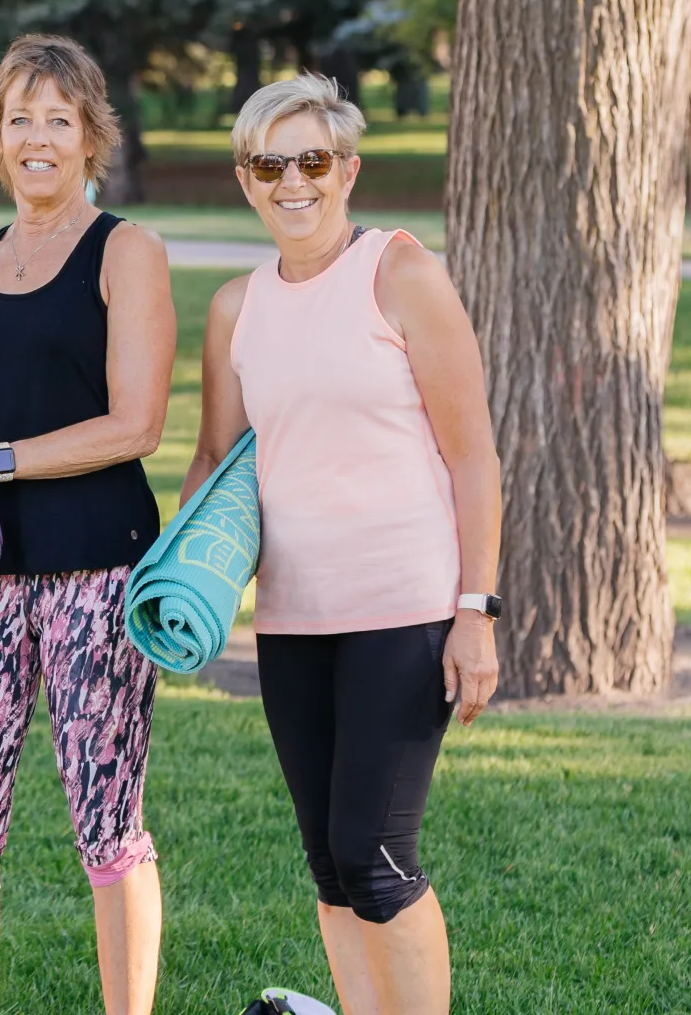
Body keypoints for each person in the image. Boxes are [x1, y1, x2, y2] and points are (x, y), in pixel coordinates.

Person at [182, 74, 502, 1015]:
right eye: (270, 164)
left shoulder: (402, 274)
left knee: (377, 851)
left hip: (404, 612)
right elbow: (214, 460)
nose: (294, 183)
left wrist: (474, 611)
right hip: (293, 620)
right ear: (246, 179)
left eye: (313, 161)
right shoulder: (236, 309)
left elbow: (474, 454)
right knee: (329, 860)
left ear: (348, 170)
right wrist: (179, 586)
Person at [0, 34, 176, 1015]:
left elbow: (137, 422)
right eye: (19, 118)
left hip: (100, 566)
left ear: (91, 135)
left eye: (59, 117)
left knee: (107, 818)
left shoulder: (126, 249)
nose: (37, 137)